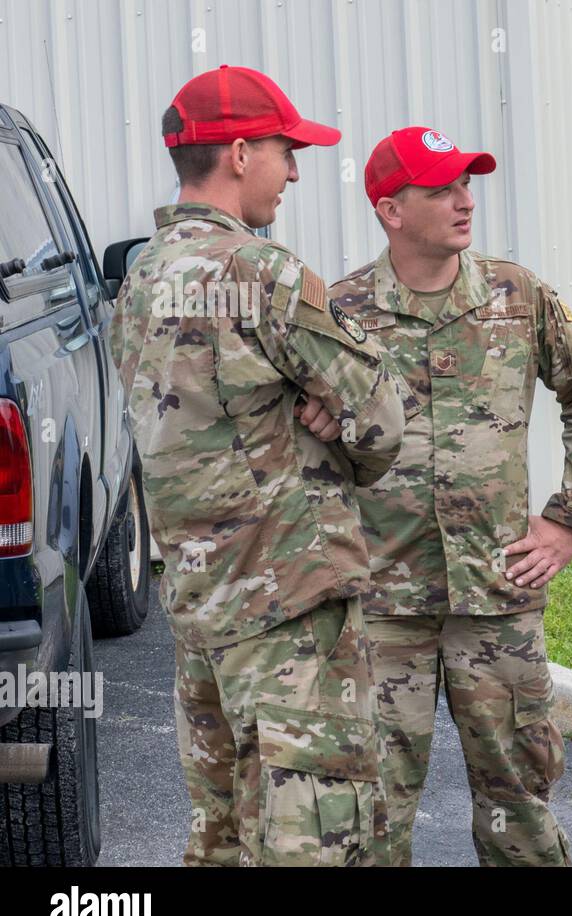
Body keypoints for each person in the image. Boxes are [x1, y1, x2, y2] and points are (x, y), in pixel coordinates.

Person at [111, 65, 407, 866]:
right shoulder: (262, 272)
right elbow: (382, 417)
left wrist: (302, 411)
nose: (297, 169)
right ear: (240, 154)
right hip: (287, 607)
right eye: (286, 150)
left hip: (199, 605)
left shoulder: (139, 278)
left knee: (220, 835)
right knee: (314, 836)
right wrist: (332, 425)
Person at [328, 126, 572, 866]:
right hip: (381, 604)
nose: (464, 199)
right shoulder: (340, 312)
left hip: (498, 594)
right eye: (442, 188)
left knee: (522, 809)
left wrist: (569, 518)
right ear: (391, 209)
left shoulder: (518, 295)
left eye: (467, 183)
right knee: (371, 811)